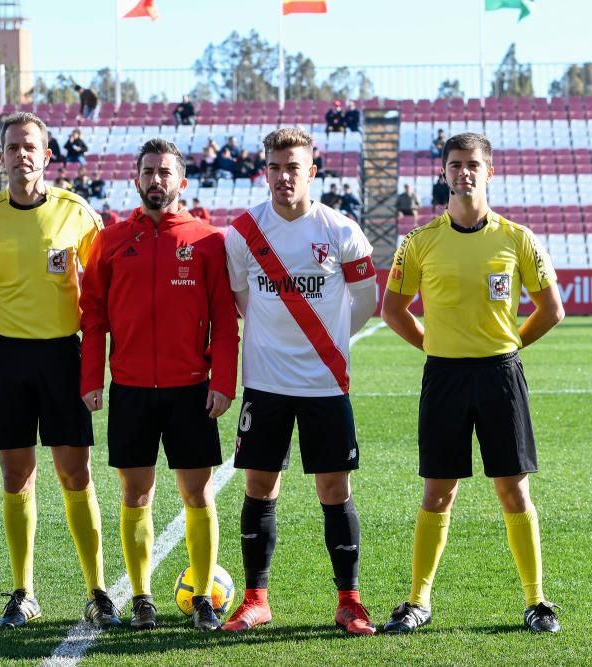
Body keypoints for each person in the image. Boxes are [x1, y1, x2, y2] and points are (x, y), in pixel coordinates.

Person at [381, 132, 565, 635]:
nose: (464, 172)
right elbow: (393, 311)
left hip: (501, 375)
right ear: (443, 174)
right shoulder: (419, 243)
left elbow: (552, 310)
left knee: (513, 489)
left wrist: (510, 345)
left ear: (489, 172)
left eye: (473, 164)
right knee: (438, 492)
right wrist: (434, 346)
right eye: (455, 164)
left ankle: (536, 601)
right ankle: (418, 601)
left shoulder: (517, 238)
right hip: (444, 377)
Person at [0, 111, 116, 630]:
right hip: (7, 357)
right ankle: (23, 592)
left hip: (61, 356)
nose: (21, 154)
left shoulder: (79, 214)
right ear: (1, 156)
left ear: (47, 155)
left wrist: (92, 362)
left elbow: (98, 295)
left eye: (30, 146)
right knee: (16, 476)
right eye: (12, 147)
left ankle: (97, 589)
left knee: (76, 474)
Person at [222, 126, 378, 635]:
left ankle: (349, 601)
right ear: (264, 171)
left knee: (334, 487)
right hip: (265, 383)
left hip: (325, 383)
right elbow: (241, 299)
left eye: (294, 167)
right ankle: (255, 599)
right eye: (275, 166)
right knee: (260, 486)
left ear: (312, 171)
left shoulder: (342, 230)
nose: (284, 176)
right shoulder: (242, 233)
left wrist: (328, 341)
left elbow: (365, 302)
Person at [80, 138, 239, 631]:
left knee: (198, 493)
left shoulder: (208, 240)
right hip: (129, 389)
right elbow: (93, 316)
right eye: (148, 171)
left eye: (165, 172)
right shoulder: (109, 241)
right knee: (136, 495)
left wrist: (223, 381)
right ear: (136, 180)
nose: (156, 180)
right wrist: (92, 378)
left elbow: (225, 319)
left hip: (190, 389)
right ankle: (143, 597)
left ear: (182, 181)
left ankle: (204, 596)